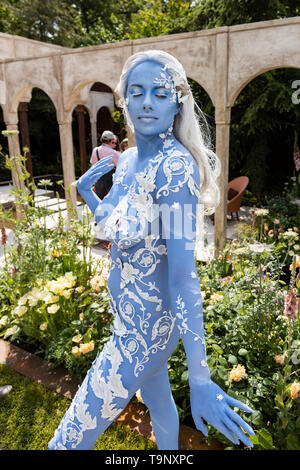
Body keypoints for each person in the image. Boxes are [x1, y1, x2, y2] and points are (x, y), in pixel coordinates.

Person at [48, 50, 255, 450]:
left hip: (142, 336)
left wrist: (200, 377)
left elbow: (182, 273)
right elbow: (116, 223)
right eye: (136, 92)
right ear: (123, 99)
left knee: (66, 442)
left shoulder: (174, 169)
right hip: (127, 320)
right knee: (158, 403)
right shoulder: (125, 162)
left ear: (177, 102)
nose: (146, 102)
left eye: (159, 93)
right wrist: (86, 193)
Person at [90, 130, 121, 200]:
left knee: (98, 199)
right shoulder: (114, 152)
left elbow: (93, 164)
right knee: (113, 200)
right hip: (110, 177)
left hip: (99, 176)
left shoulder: (95, 150)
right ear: (111, 140)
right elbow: (120, 166)